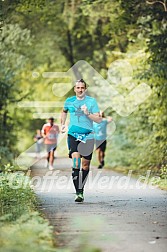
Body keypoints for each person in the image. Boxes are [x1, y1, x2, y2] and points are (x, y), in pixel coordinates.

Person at [61, 79, 102, 203]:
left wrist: (87, 113)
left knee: (85, 165)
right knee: (76, 163)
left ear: (85, 89)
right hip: (73, 135)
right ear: (74, 89)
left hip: (88, 136)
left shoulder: (91, 101)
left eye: (82, 88)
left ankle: (81, 189)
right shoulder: (69, 101)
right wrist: (62, 124)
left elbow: (99, 120)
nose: (80, 90)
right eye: (78, 88)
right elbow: (63, 112)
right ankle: (78, 192)